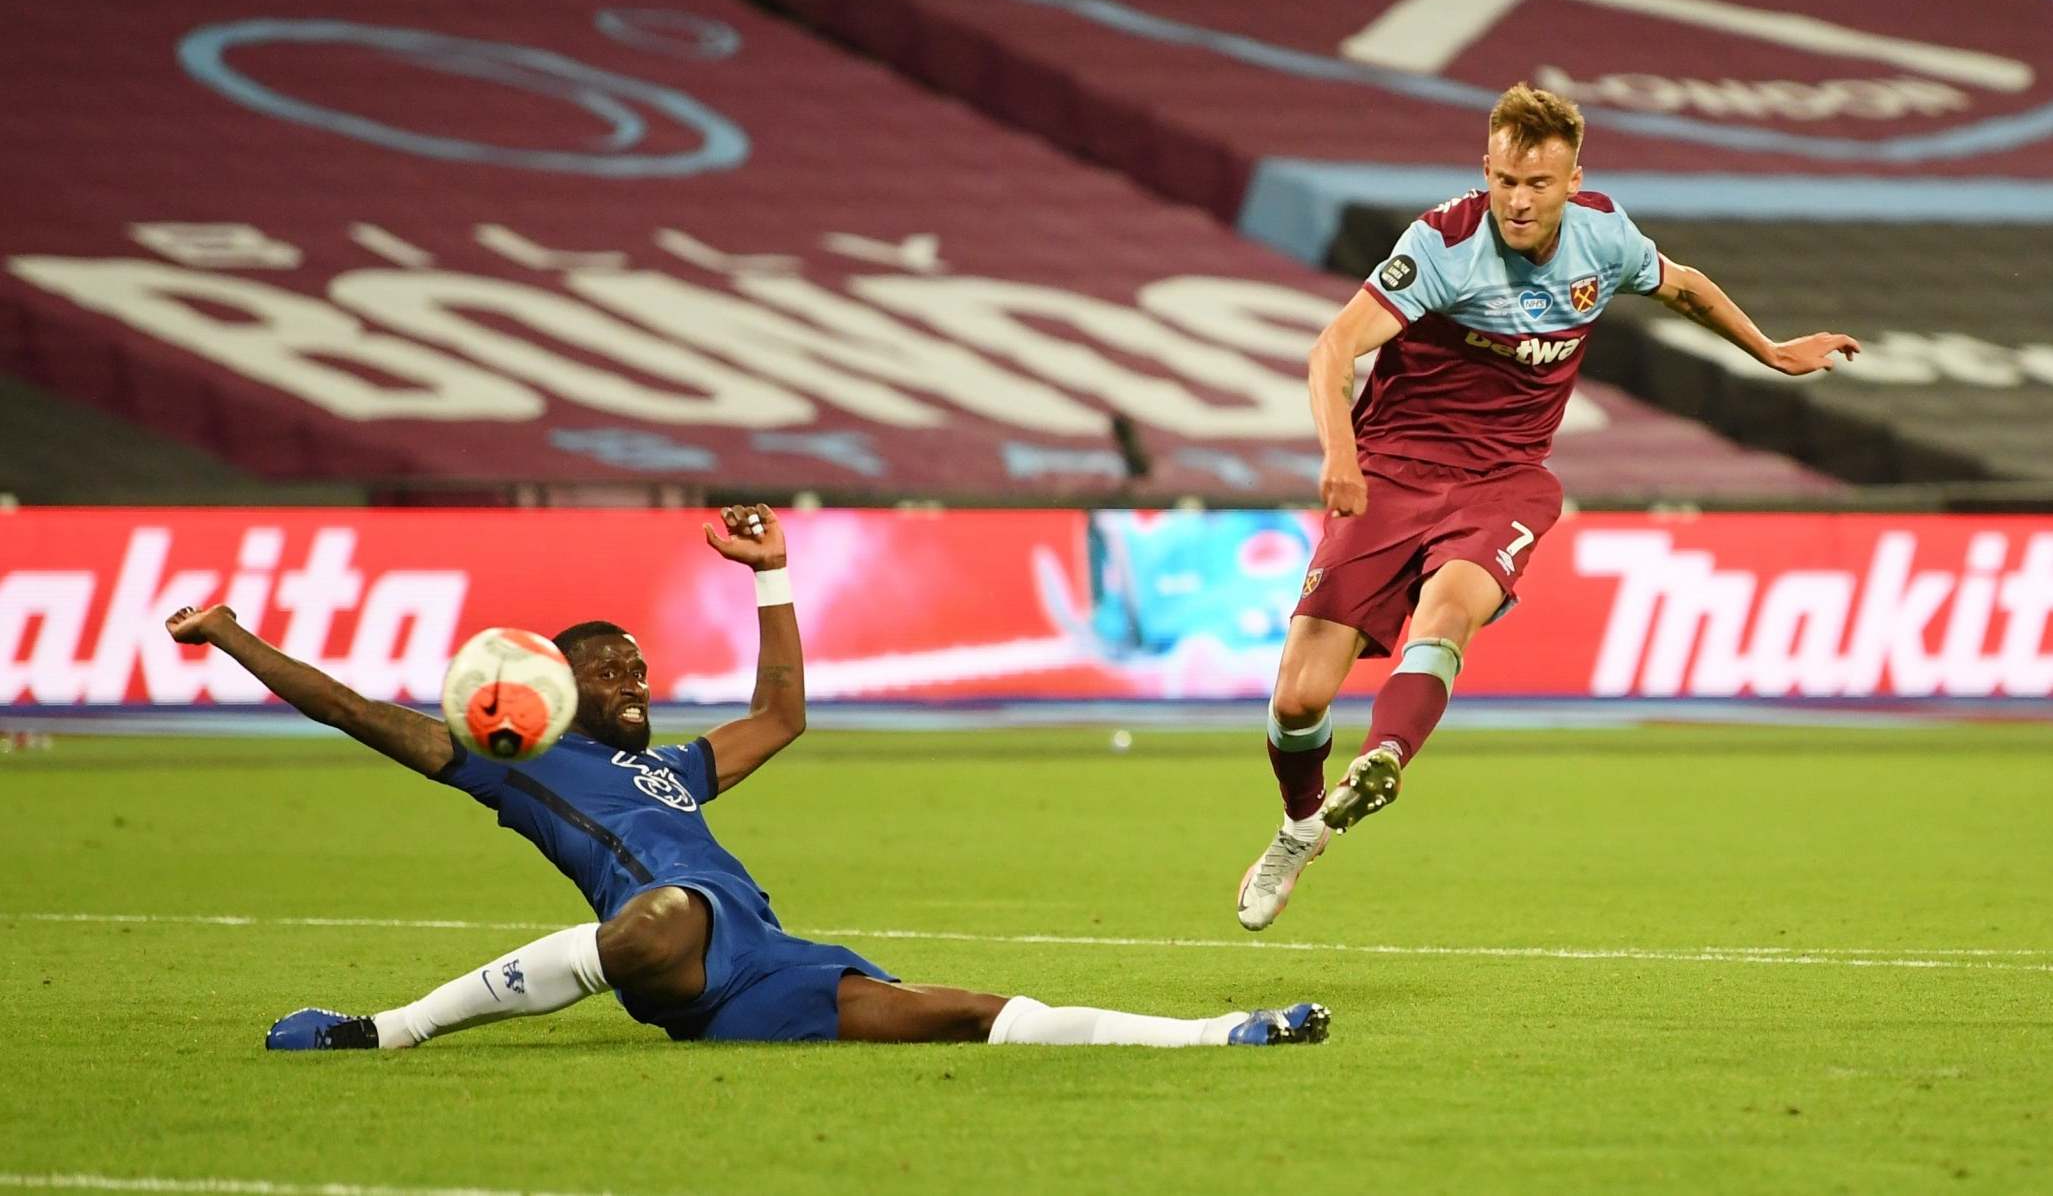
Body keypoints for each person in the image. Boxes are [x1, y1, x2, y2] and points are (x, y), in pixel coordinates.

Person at [167, 504, 1328, 1049]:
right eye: (606, 664)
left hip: (765, 961)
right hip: (665, 941)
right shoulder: (517, 764)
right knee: (662, 912)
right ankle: (388, 1032)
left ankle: (1216, 1033)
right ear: (555, 692)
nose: (634, 671)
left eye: (635, 658)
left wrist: (772, 575)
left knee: (956, 1012)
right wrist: (233, 636)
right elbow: (364, 715)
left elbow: (784, 713)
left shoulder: (674, 769)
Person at [1237, 83, 1861, 931]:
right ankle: (1299, 827)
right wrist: (1339, 455)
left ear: (1573, 180)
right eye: (1504, 181)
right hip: (1392, 470)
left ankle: (1384, 757)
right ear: (1483, 172)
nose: (1518, 200)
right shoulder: (1442, 244)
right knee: (1301, 698)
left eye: (1536, 183)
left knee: (1449, 608)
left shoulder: (1604, 235)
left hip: (1505, 478)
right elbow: (1333, 347)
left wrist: (1770, 351)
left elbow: (1680, 286)